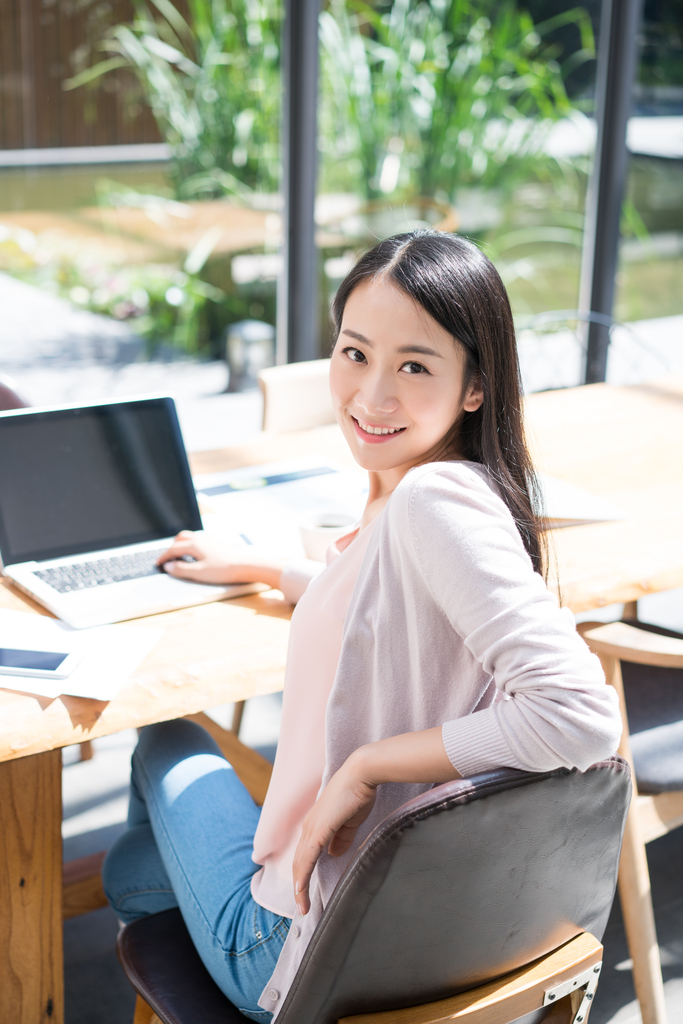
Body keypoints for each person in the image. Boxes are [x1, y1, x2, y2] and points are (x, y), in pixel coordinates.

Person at [103, 231, 621, 1021]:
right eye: (353, 353)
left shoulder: (428, 500)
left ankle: (147, 906)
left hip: (302, 953)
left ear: (475, 386)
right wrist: (273, 572)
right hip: (438, 929)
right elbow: (385, 613)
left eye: (414, 365)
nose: (372, 395)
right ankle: (149, 889)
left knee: (166, 738)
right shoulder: (453, 493)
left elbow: (580, 716)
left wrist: (366, 766)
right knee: (142, 869)